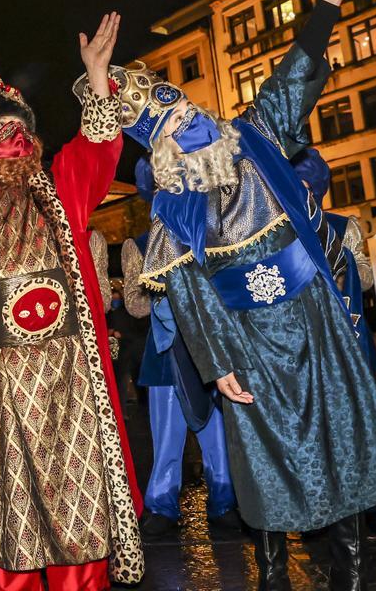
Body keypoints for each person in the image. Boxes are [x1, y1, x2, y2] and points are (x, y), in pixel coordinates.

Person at [131, 0, 376, 591]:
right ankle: (273, 573)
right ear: (165, 150)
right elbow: (190, 294)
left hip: (314, 324)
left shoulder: (255, 139)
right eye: (176, 124)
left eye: (190, 112)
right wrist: (220, 363)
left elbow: (294, 77)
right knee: (265, 461)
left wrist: (330, 3)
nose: (193, 123)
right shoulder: (176, 212)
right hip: (249, 344)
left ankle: (352, 569)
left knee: (340, 442)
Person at [0, 14, 145, 591]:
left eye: (19, 130)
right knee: (10, 502)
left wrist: (98, 77)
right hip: (0, 378)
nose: (13, 141)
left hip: (69, 373)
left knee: (77, 494)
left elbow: (97, 150)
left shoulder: (57, 186)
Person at [120, 158, 239, 539]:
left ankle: (224, 501)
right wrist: (156, 290)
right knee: (166, 431)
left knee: (215, 428)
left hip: (208, 346)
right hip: (164, 350)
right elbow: (135, 304)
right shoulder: (136, 246)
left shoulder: (210, 236)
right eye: (160, 186)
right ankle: (161, 504)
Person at [290, 147, 376, 539]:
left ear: (318, 187)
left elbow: (366, 278)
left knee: (362, 425)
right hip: (303, 347)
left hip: (348, 340)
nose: (300, 191)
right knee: (313, 430)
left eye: (306, 184)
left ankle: (371, 508)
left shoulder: (343, 225)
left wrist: (339, 260)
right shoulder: (279, 229)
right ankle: (321, 511)